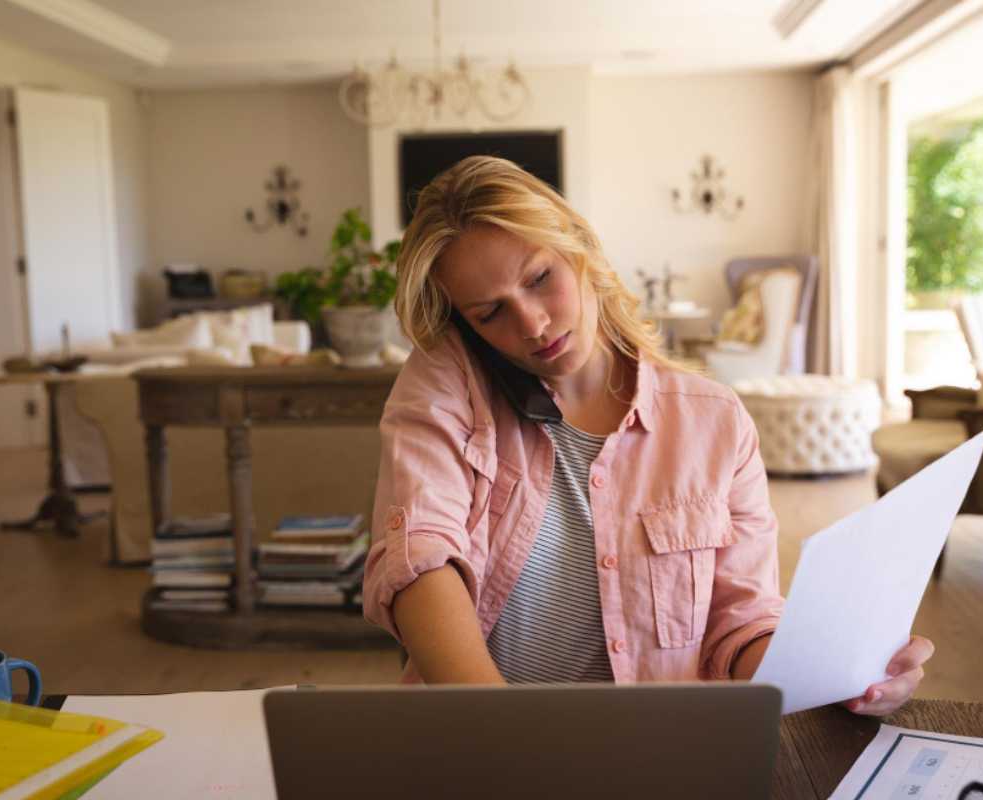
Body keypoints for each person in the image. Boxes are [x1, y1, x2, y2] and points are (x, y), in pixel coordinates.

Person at [361, 155, 932, 715]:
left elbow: (741, 622)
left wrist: (840, 674)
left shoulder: (715, 422)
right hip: (482, 754)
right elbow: (421, 555)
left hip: (662, 756)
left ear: (578, 248)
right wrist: (506, 739)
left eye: (541, 279)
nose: (532, 324)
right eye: (491, 313)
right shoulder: (445, 382)